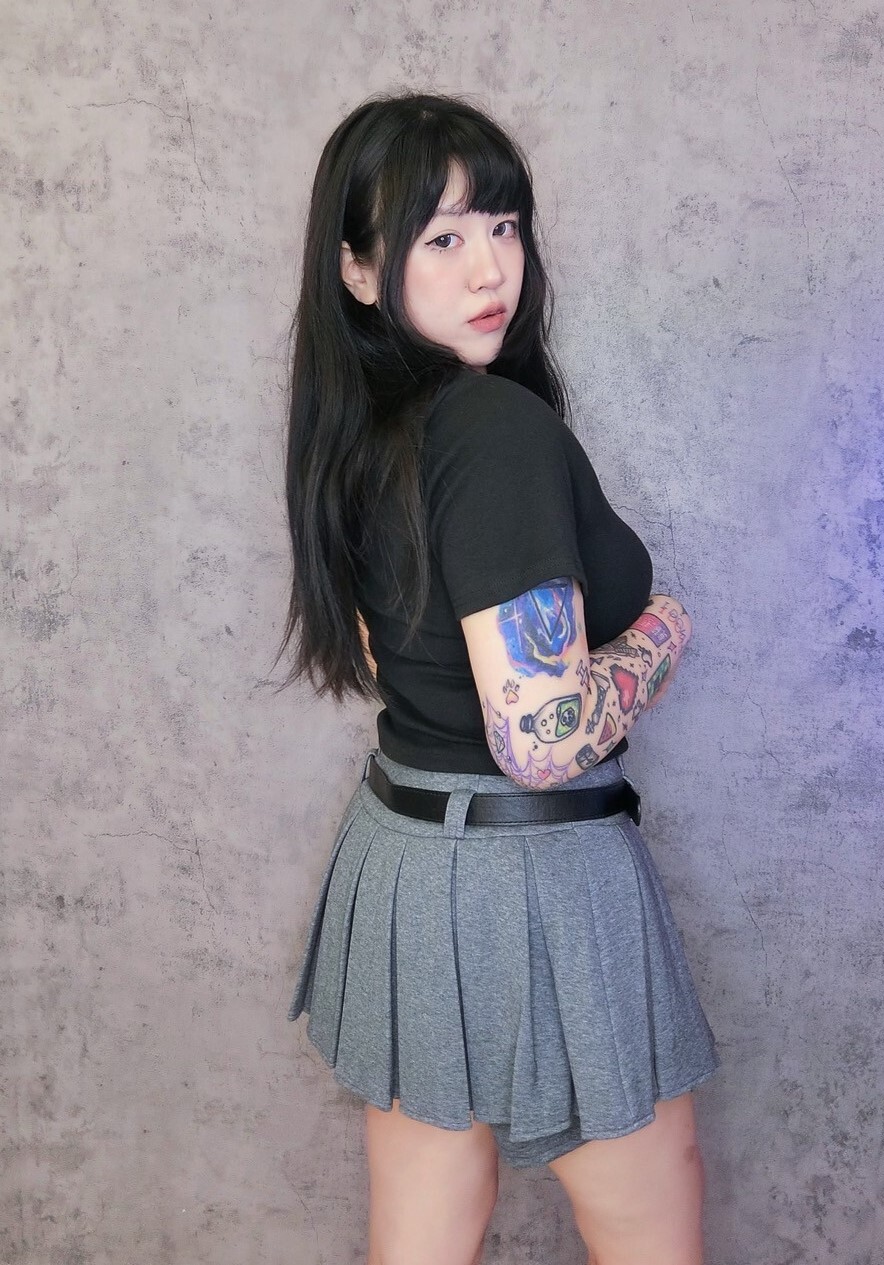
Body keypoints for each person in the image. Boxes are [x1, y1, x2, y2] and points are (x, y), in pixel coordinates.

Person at [283, 91, 718, 1265]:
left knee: (420, 1234)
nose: (490, 268)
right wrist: (662, 631)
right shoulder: (493, 430)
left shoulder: (359, 432)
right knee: (651, 1231)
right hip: (534, 874)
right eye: (441, 236)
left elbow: (386, 645)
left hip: (405, 859)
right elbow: (541, 733)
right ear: (358, 270)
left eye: (504, 225)